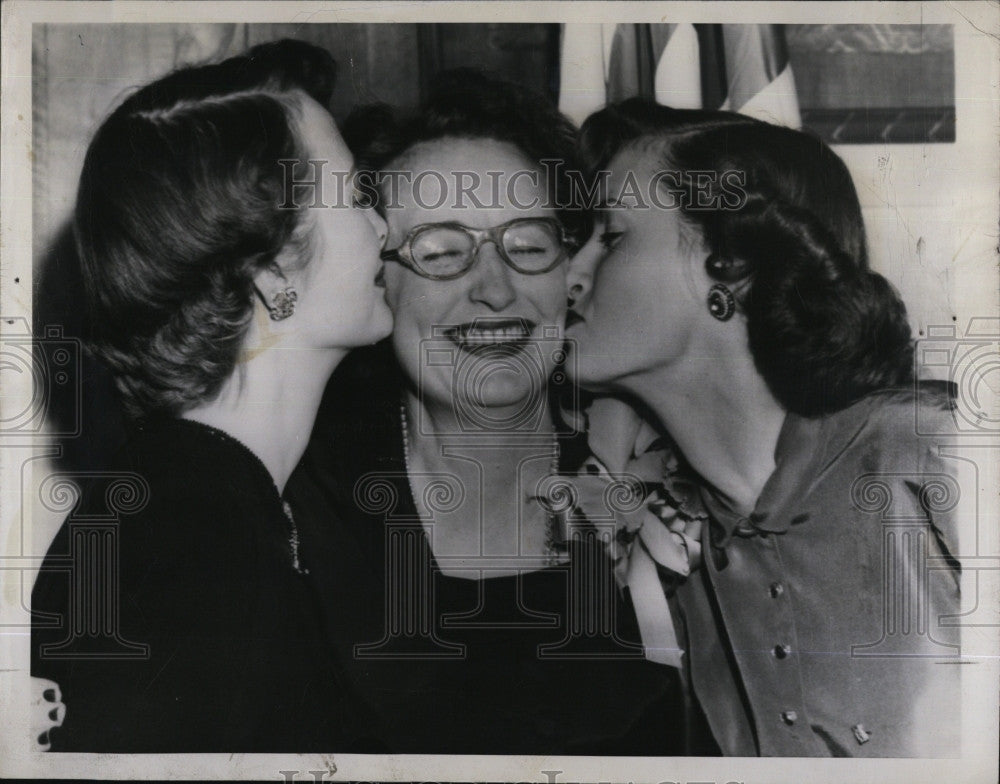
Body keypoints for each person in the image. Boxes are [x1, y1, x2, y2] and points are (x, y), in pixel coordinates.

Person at [284, 73, 709, 755]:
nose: (494, 290)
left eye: (529, 243)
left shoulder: (665, 508)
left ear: (571, 268)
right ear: (374, 278)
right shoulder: (301, 504)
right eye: (442, 252)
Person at [564, 98, 963, 757]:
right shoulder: (687, 570)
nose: (570, 277)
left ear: (733, 269)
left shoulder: (933, 451)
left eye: (611, 237)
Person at [31, 40, 392, 752]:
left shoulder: (207, 499)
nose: (384, 229)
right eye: (355, 198)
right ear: (269, 277)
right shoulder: (193, 537)